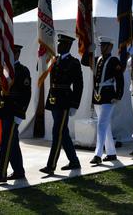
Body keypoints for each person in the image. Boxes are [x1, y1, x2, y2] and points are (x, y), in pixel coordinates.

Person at [0, 44, 31, 183]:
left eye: (12, 53)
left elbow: (26, 95)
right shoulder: (3, 68)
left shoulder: (22, 71)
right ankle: (18, 171)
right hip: (4, 110)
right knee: (12, 142)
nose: (10, 56)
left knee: (6, 142)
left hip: (14, 112)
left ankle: (1, 172)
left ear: (17, 54)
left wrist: (20, 114)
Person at [39, 34, 84, 175]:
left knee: (57, 132)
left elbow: (79, 85)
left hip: (65, 101)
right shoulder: (54, 59)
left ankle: (51, 165)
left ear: (67, 46)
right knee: (63, 133)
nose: (58, 46)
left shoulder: (73, 63)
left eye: (61, 43)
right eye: (58, 43)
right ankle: (74, 161)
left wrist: (74, 104)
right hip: (54, 100)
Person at [82, 36, 124, 165]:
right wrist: (89, 51)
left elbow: (120, 79)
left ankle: (98, 154)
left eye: (104, 46)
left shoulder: (114, 61)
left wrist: (118, 95)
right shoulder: (97, 59)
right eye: (101, 46)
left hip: (108, 97)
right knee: (105, 127)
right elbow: (84, 62)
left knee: (101, 125)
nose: (101, 48)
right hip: (97, 96)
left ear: (110, 47)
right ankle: (111, 153)